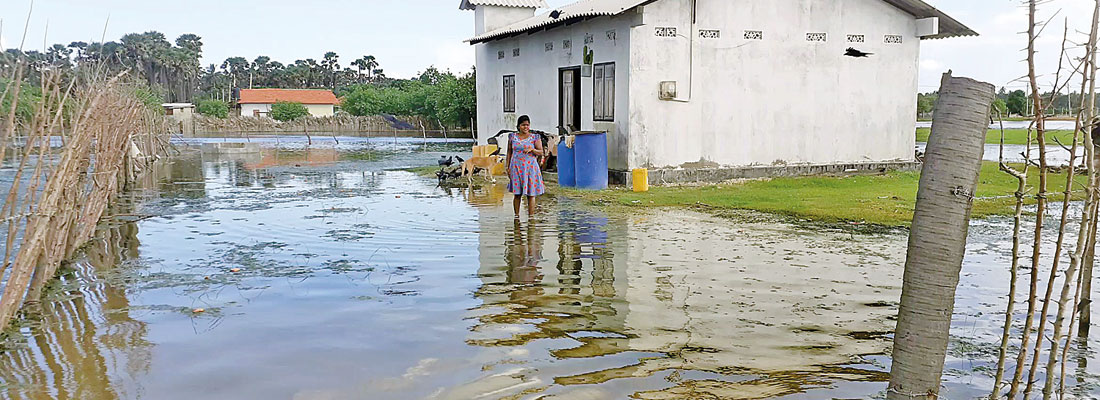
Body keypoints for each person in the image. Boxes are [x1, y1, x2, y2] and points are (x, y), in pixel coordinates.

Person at [507, 115, 546, 216]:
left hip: (530, 168)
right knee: (517, 194)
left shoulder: (535, 137)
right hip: (516, 167)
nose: (526, 127)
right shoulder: (512, 137)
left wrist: (532, 150)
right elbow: (509, 152)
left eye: (527, 125)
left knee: (531, 194)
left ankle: (531, 218)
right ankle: (516, 217)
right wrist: (507, 167)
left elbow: (541, 152)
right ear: (519, 126)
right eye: (523, 125)